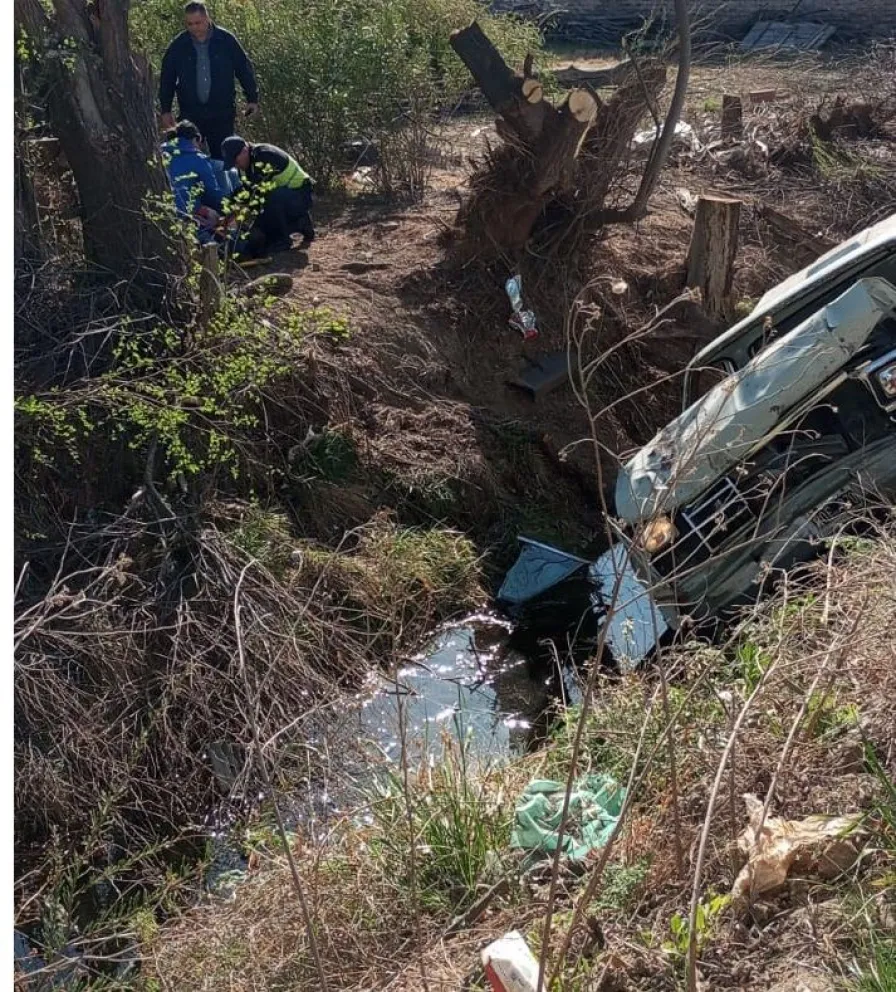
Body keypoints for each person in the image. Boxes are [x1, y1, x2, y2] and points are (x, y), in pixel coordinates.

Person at [159, 1, 258, 161]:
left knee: (223, 160)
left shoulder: (226, 40)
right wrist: (166, 109)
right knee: (188, 159)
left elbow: (243, 69)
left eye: (198, 23)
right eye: (190, 24)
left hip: (221, 113)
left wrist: (252, 98)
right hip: (191, 113)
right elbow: (167, 78)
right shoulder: (179, 45)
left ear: (207, 18)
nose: (194, 27)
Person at [221, 136, 315, 255]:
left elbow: (258, 194)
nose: (235, 165)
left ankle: (283, 239)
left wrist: (239, 216)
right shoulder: (246, 164)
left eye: (235, 161)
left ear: (244, 150)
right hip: (286, 197)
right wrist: (229, 209)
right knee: (260, 233)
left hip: (301, 195)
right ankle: (300, 223)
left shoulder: (265, 155)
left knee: (270, 198)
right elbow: (245, 191)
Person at [161, 120, 224, 243]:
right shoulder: (198, 159)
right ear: (196, 138)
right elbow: (213, 193)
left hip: (163, 213)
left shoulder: (159, 153)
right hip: (187, 216)